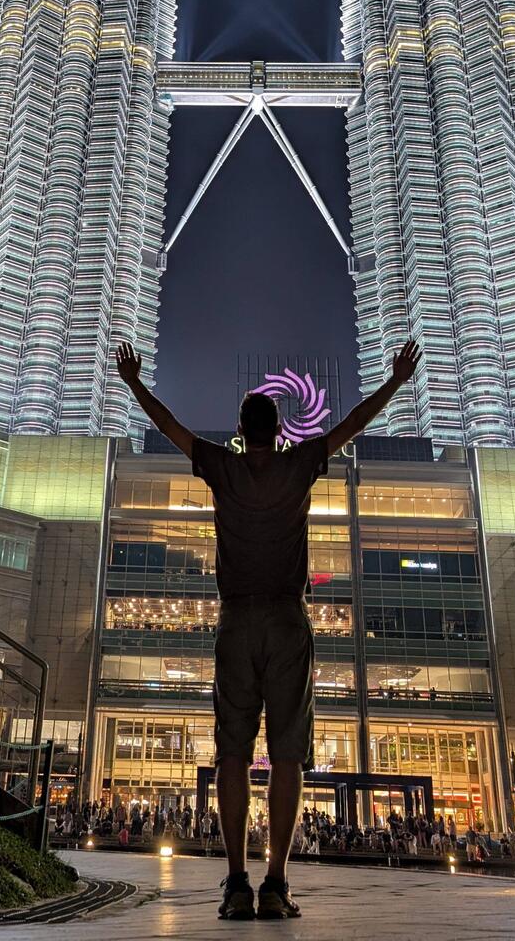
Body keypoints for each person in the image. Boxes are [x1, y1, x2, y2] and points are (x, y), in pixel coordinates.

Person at [115, 338, 420, 921]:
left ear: (239, 429)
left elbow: (172, 427)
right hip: (286, 620)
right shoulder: (297, 465)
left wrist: (133, 382)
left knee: (232, 753)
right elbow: (353, 423)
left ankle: (235, 883)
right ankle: (276, 884)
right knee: (287, 757)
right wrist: (396, 382)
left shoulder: (222, 466)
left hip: (235, 621)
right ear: (279, 431)